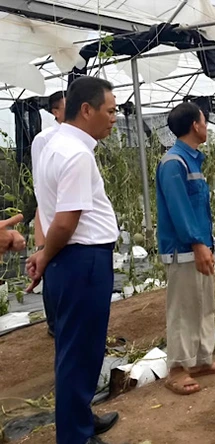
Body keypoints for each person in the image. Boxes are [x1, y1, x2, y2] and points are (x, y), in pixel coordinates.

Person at [26, 76, 120, 444]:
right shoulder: (77, 153)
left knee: (74, 349)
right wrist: (46, 255)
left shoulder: (51, 144)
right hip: (83, 260)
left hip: (70, 260)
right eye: (110, 111)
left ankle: (80, 420)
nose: (114, 118)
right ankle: (76, 437)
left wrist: (44, 255)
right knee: (81, 352)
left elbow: (47, 212)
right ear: (87, 110)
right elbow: (65, 220)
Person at [155, 102, 215, 395]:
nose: (207, 127)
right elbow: (179, 209)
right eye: (204, 121)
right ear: (194, 126)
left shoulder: (191, 160)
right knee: (183, 309)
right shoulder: (174, 162)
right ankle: (176, 369)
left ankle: (200, 360)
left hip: (199, 246)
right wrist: (198, 244)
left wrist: (205, 244)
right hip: (184, 249)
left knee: (202, 306)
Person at [31, 91, 66, 337]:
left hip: (67, 208)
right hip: (52, 209)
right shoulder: (44, 139)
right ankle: (54, 323)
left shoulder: (79, 137)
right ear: (55, 111)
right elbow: (39, 181)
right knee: (51, 262)